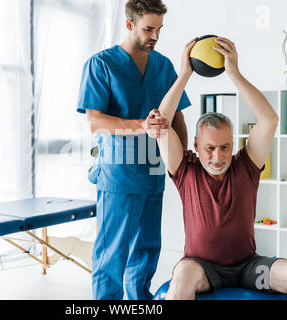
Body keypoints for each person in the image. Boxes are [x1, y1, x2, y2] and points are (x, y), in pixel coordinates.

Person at [151, 36, 287, 300]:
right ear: (196, 144)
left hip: (248, 268)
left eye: (225, 147)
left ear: (233, 145)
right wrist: (184, 74)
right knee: (182, 276)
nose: (218, 156)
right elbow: (161, 125)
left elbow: (269, 119)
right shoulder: (186, 170)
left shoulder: (246, 167)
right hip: (201, 269)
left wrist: (234, 73)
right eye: (210, 148)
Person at [76, 0, 191, 300]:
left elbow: (176, 115)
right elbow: (96, 122)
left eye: (159, 29)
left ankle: (139, 301)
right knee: (113, 253)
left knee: (147, 250)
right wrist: (143, 125)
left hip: (154, 170)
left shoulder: (163, 66)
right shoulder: (101, 64)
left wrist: (183, 159)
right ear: (129, 24)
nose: (155, 36)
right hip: (119, 175)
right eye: (148, 29)